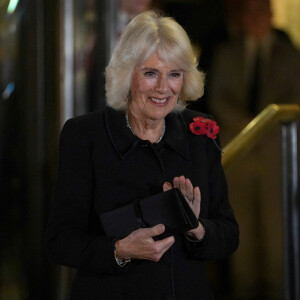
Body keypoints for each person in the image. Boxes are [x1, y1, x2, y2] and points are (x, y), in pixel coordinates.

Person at [45, 11, 239, 300]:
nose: (163, 87)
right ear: (127, 74)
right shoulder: (85, 135)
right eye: (151, 73)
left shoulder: (199, 133)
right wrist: (120, 251)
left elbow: (228, 235)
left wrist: (196, 228)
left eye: (174, 74)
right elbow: (60, 242)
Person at [208, 0, 300, 298]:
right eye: (249, 11)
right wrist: (251, 126)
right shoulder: (227, 53)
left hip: (277, 159)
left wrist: (265, 126)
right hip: (238, 157)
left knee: (277, 242)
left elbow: (293, 101)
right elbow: (217, 99)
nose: (255, 18)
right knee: (242, 241)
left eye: (261, 11)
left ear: (271, 15)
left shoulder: (290, 55)